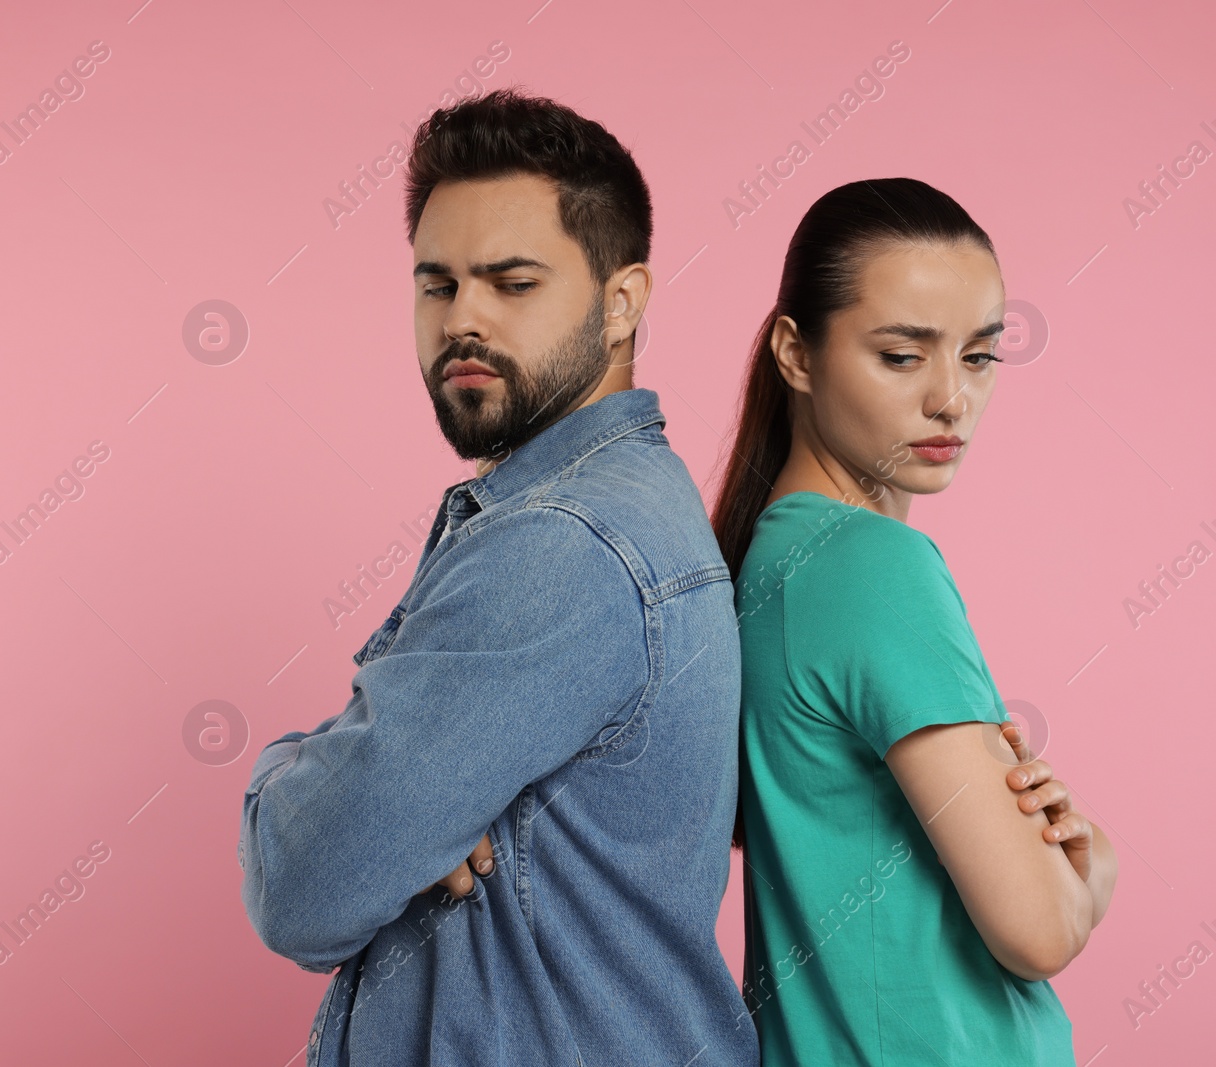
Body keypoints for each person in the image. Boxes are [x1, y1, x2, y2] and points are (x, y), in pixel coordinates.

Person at [239, 87, 759, 1066]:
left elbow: (301, 883)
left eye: (511, 282)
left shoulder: (562, 544)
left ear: (623, 300)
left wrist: (284, 776)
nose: (462, 318)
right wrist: (393, 801)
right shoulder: (625, 503)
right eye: (437, 284)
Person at [712, 177, 1117, 1065]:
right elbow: (1039, 930)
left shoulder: (771, 562)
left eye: (978, 357)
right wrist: (1097, 870)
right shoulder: (871, 568)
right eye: (903, 355)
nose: (951, 400)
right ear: (796, 352)